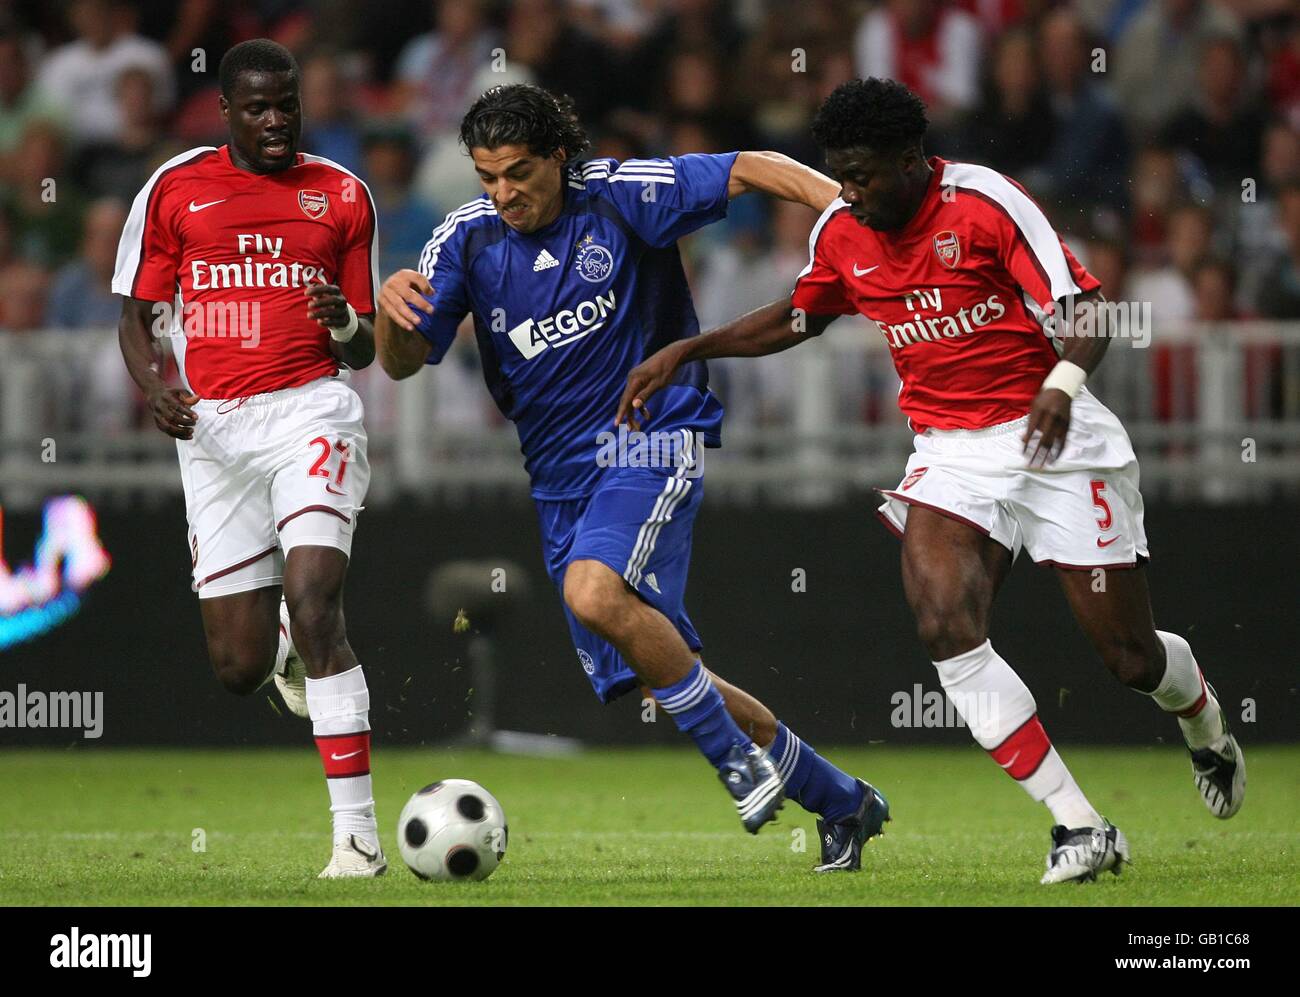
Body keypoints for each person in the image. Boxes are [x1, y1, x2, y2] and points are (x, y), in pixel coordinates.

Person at [620, 78, 1246, 885]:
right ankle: (1079, 824)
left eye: (863, 175)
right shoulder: (844, 230)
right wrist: (688, 350)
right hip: (950, 451)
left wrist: (1058, 385)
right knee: (945, 622)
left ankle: (1207, 726)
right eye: (838, 175)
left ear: (911, 160)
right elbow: (800, 315)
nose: (847, 192)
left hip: (1056, 434)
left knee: (1128, 657)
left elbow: (1088, 310)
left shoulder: (986, 202)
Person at [375, 83, 888, 872]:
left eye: (518, 172)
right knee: (662, 672)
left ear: (557, 156)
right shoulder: (466, 242)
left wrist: (840, 212)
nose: (503, 193)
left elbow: (751, 166)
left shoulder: (620, 197)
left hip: (648, 439)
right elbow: (402, 365)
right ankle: (841, 798)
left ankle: (735, 763)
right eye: (487, 178)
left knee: (592, 591)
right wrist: (390, 312)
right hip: (556, 481)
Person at [111, 39, 385, 879]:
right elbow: (136, 311)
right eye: (257, 108)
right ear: (224, 111)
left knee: (314, 600)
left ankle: (358, 840)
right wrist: (155, 383)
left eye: (288, 105)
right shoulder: (174, 188)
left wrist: (341, 320)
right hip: (215, 434)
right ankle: (286, 642)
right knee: (238, 667)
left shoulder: (341, 195)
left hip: (313, 409)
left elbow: (366, 344)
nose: (275, 121)